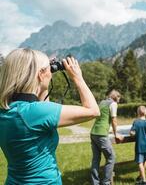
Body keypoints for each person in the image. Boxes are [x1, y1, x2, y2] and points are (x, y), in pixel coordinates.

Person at [0, 48, 100, 185]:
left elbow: (40, 111)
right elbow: (93, 110)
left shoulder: (8, 112)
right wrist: (78, 77)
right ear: (40, 74)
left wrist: (43, 85)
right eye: (48, 69)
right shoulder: (35, 112)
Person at [90, 89, 123, 185]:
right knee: (111, 157)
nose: (119, 101)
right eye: (119, 99)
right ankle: (106, 182)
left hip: (93, 133)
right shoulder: (113, 104)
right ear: (116, 97)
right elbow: (114, 119)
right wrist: (116, 134)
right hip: (101, 134)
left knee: (96, 159)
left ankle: (95, 182)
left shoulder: (102, 102)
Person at [130, 106, 146, 185]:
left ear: (138, 113)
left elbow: (132, 132)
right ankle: (140, 176)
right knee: (145, 160)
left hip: (139, 145)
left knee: (140, 162)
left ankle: (144, 181)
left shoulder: (136, 122)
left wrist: (131, 133)